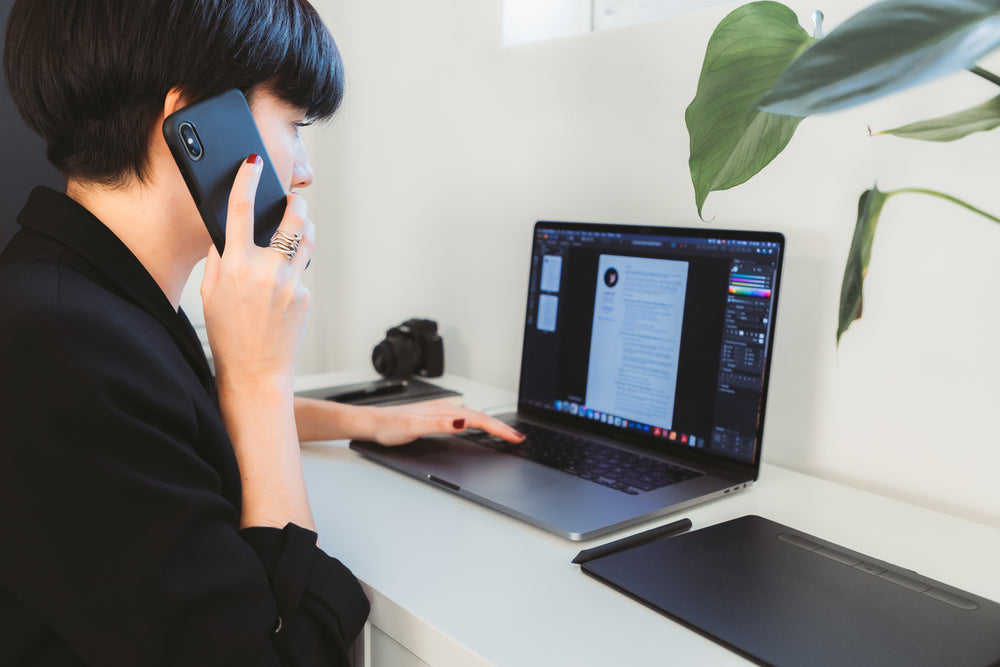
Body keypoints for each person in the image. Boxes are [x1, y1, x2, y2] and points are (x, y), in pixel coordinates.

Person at [0, 1, 524, 665]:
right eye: (296, 127)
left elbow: (163, 422)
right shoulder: (56, 351)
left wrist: (363, 421)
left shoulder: (83, 297)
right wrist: (261, 376)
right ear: (195, 125)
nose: (303, 170)